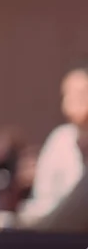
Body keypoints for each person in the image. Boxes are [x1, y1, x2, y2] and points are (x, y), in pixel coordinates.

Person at [18, 59, 88, 226]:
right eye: (68, 94)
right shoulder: (60, 139)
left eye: (81, 93)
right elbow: (43, 198)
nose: (73, 100)